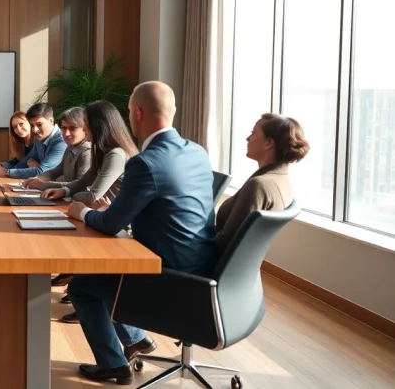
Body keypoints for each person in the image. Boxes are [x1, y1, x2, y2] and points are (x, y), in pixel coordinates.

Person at [63, 81, 216, 384]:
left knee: (82, 286)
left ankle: (114, 365)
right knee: (99, 276)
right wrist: (113, 210)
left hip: (167, 273)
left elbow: (111, 225)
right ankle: (134, 341)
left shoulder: (146, 162)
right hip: (199, 264)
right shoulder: (197, 151)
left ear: (137, 113)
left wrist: (82, 212)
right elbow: (165, 206)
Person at [41, 100, 139, 322]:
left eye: (85, 123)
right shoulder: (102, 151)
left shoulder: (116, 154)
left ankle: (91, 301)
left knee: (65, 239)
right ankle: (86, 294)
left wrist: (71, 196)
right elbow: (81, 185)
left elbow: (92, 195)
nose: (84, 128)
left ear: (99, 125)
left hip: (117, 226)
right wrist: (65, 191)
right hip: (101, 216)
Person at [215, 113, 308, 252]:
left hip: (211, 262)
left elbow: (224, 243)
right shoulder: (283, 179)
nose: (247, 138)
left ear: (268, 143)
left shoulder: (258, 185)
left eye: (253, 133)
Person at [0, 102, 66, 179]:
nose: (35, 130)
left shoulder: (61, 141)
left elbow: (41, 171)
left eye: (39, 124)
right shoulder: (40, 139)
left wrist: (6, 172)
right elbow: (25, 162)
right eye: (32, 125)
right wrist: (3, 170)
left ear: (51, 121)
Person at [22, 107, 91, 191]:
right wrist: (38, 178)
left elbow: (80, 186)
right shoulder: (70, 148)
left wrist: (44, 185)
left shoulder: (88, 152)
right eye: (64, 128)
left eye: (73, 128)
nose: (66, 134)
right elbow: (56, 171)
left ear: (85, 129)